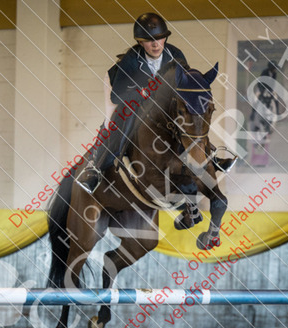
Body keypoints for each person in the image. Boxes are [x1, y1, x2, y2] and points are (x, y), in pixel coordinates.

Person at [76, 12, 234, 196]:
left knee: (191, 116)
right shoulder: (131, 59)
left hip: (157, 97)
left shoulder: (175, 54)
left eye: (159, 38)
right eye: (149, 40)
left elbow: (185, 82)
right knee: (113, 121)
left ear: (165, 38)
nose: (155, 44)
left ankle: (212, 157)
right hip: (121, 89)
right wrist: (142, 92)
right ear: (140, 42)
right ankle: (95, 168)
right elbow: (117, 95)